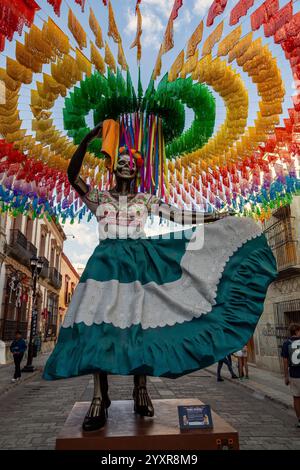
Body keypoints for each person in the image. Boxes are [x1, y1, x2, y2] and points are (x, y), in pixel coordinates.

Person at [43, 120, 277, 433]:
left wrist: (216, 217)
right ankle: (100, 396)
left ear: (136, 172)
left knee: (140, 324)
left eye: (131, 163)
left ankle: (142, 389)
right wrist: (89, 137)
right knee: (96, 327)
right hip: (105, 265)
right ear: (114, 168)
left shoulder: (145, 200)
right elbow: (73, 176)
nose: (126, 165)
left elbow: (179, 216)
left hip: (141, 265)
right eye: (121, 162)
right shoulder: (98, 198)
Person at [281, 323, 300, 428]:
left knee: (296, 398)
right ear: (297, 331)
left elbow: (285, 361)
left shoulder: (286, 343)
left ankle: (299, 420)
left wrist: (286, 376)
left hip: (294, 375)